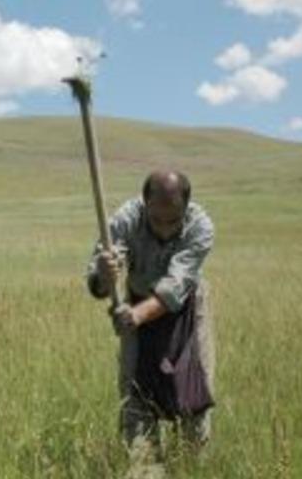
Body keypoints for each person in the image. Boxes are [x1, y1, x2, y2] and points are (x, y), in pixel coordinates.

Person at [86, 170, 216, 456]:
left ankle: (192, 465)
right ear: (145, 205)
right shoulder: (125, 220)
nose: (165, 229)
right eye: (157, 220)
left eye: (173, 221)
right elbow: (96, 284)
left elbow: (174, 287)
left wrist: (136, 316)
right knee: (136, 392)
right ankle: (144, 464)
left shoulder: (201, 226)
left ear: (186, 206)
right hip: (137, 302)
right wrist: (105, 275)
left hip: (186, 310)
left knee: (193, 390)